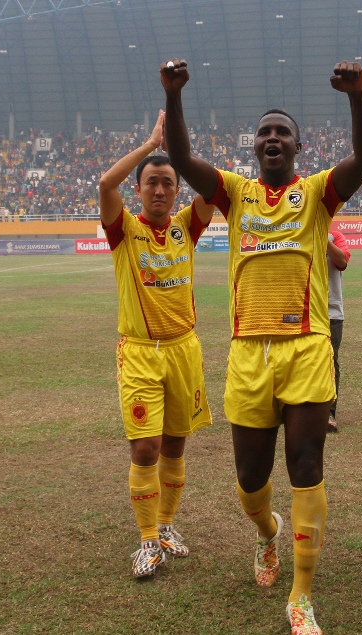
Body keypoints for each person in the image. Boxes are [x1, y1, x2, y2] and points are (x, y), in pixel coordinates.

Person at [161, 58, 362, 635]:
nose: (272, 138)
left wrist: (357, 99)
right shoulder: (233, 194)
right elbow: (182, 161)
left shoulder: (316, 195)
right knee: (250, 480)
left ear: (299, 147)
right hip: (248, 352)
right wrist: (173, 96)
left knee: (306, 465)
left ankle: (301, 596)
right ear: (254, 147)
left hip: (306, 347)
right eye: (264, 132)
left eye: (282, 131)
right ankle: (267, 534)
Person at [97, 110, 214, 579]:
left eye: (168, 182)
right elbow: (106, 185)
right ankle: (146, 540)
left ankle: (166, 526)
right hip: (141, 352)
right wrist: (149, 146)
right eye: (152, 183)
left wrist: (180, 155)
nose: (161, 190)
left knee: (175, 446)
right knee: (144, 449)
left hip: (184, 349)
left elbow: (215, 191)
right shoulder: (124, 228)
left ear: (176, 188)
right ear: (140, 189)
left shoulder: (188, 225)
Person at [325, 230, 350, 433]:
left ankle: (329, 413)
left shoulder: (334, 236)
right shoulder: (294, 230)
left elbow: (341, 261)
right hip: (301, 310)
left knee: (330, 361)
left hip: (330, 311)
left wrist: (320, 237)